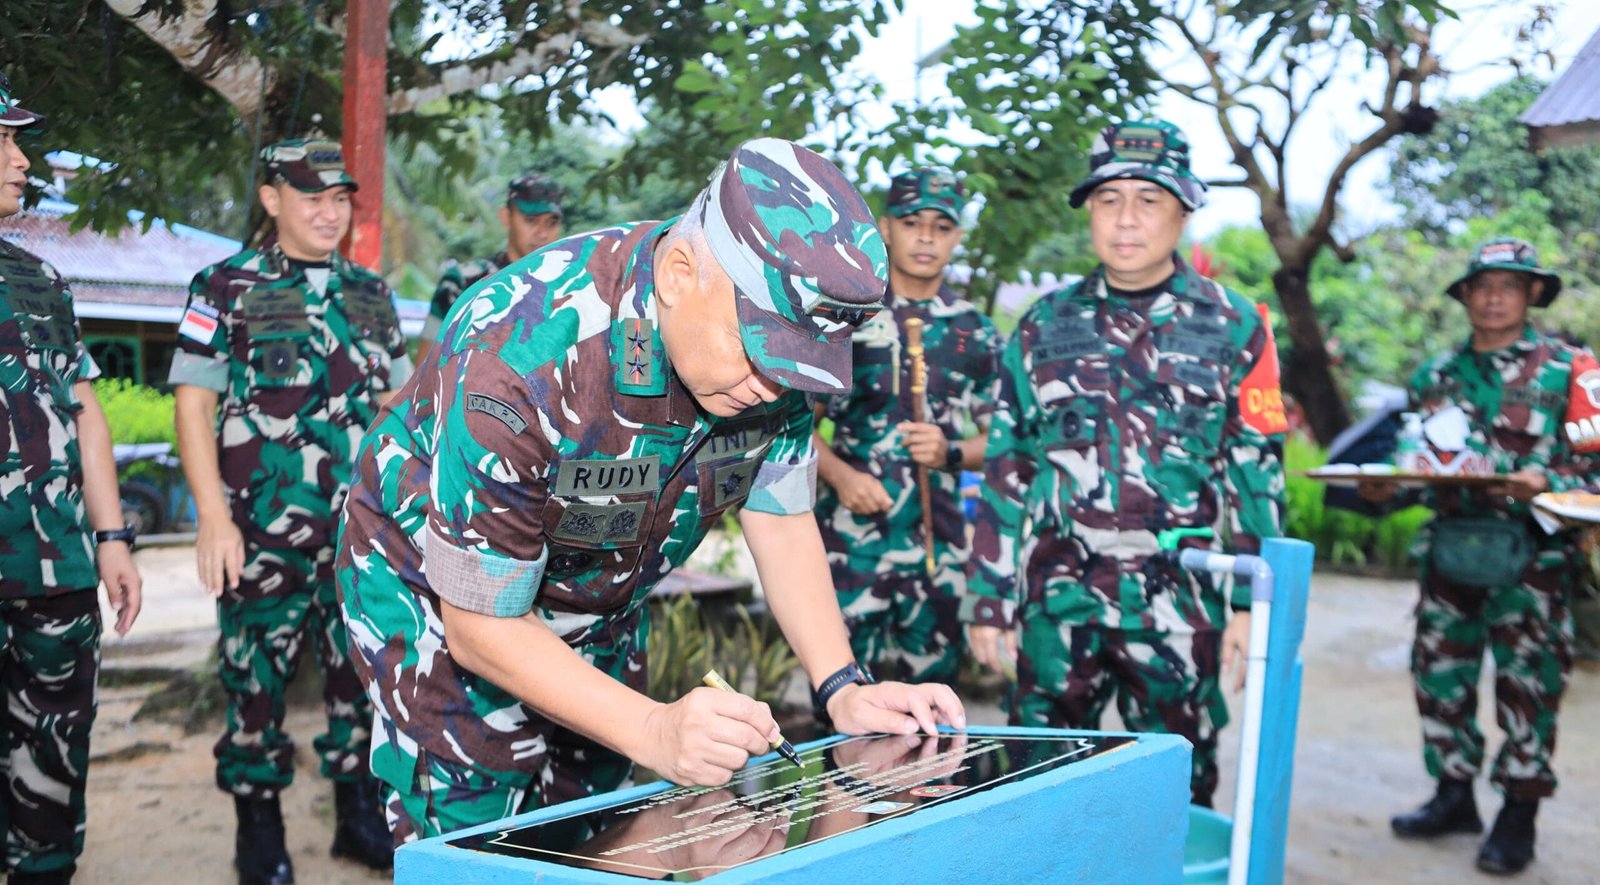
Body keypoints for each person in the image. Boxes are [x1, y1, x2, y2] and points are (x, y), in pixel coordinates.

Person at [337, 137, 967, 845]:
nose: (774, 386)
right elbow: (480, 627)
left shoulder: (767, 371)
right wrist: (653, 726)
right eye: (758, 348)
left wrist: (843, 688)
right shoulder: (519, 355)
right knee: (475, 845)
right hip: (441, 600)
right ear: (677, 272)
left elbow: (783, 521)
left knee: (595, 826)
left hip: (597, 591)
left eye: (796, 367)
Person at [963, 118, 1286, 807]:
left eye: (1149, 200)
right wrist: (989, 599)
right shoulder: (1044, 325)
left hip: (1179, 609)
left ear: (1184, 208)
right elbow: (1006, 467)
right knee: (1038, 792)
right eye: (1109, 201)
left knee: (1176, 798)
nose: (1127, 220)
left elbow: (1256, 469)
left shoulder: (1237, 326)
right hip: (1059, 604)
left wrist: (1248, 604)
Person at [169, 137, 409, 885]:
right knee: (255, 678)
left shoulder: (370, 293)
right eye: (312, 197)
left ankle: (356, 815)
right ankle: (259, 824)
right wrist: (213, 516)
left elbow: (400, 406)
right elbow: (194, 402)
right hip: (261, 529)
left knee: (360, 678)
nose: (329, 212)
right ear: (270, 198)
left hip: (360, 537)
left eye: (340, 199)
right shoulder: (224, 285)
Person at [1381, 237, 1599, 874]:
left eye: (1511, 284)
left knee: (1528, 687)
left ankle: (1518, 813)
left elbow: (1594, 468)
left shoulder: (1572, 370)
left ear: (1534, 293)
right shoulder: (1436, 376)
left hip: (1533, 559)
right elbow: (1424, 465)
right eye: (1483, 284)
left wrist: (1548, 482)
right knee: (1438, 677)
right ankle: (1453, 795)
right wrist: (1384, 487)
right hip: (1451, 553)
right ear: (1467, 295)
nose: (1495, 296)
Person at [0, 71, 144, 885]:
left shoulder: (40, 277)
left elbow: (84, 408)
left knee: (54, 728)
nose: (21, 160)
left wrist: (114, 535)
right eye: (5, 142)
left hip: (50, 560)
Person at [812, 167, 1001, 687]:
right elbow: (794, 429)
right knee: (844, 708)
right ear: (886, 227)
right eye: (913, 222)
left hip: (937, 557)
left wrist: (953, 454)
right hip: (851, 551)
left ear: (957, 237)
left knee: (934, 718)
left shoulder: (976, 332)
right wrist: (841, 477)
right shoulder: (842, 318)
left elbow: (1007, 441)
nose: (926, 237)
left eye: (942, 227)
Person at [419, 172, 565, 349]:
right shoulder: (464, 282)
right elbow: (427, 366)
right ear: (506, 217)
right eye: (531, 221)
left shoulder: (571, 287)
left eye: (551, 222)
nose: (542, 233)